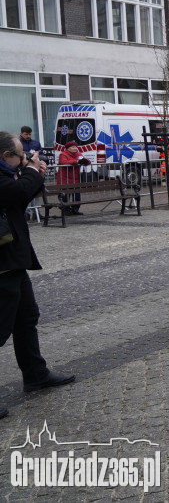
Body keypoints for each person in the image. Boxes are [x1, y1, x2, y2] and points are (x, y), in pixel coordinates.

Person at [1, 131, 76, 416]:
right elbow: (16, 193)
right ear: (5, 156)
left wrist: (34, 174)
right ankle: (35, 374)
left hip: (12, 259)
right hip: (3, 263)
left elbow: (16, 200)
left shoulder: (7, 174)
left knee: (26, 318)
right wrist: (32, 171)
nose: (23, 158)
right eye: (20, 154)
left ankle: (35, 374)